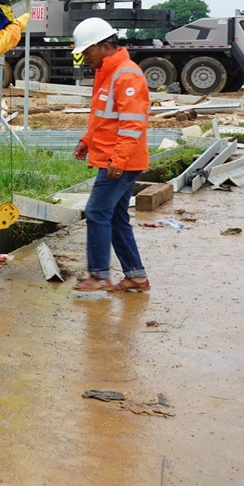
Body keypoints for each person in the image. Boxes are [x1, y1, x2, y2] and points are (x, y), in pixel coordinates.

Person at [69, 17, 151, 292]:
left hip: (120, 161)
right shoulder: (107, 73)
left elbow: (132, 122)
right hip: (115, 158)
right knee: (115, 216)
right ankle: (136, 276)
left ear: (104, 46)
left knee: (96, 211)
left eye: (87, 51)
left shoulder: (126, 74)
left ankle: (99, 275)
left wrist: (118, 160)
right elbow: (104, 118)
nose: (84, 58)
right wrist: (86, 140)